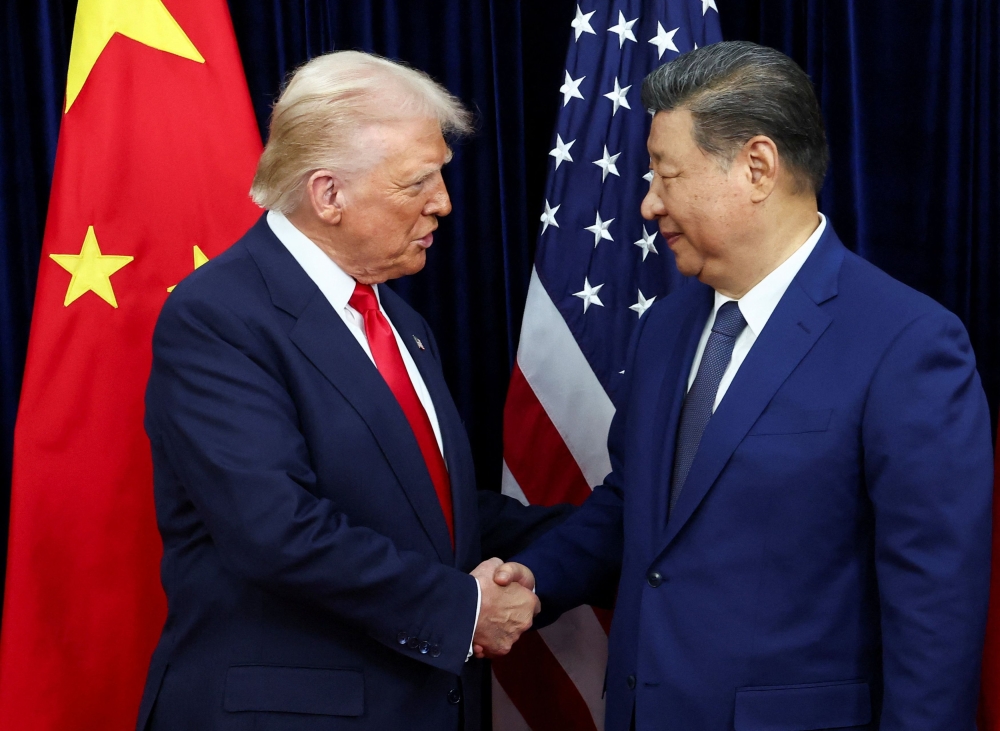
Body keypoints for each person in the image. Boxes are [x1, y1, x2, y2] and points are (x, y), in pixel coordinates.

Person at [493, 41, 993, 731]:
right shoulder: (667, 326)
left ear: (757, 166)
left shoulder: (908, 344)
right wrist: (534, 578)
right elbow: (636, 506)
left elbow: (936, 615)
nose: (647, 204)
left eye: (666, 175)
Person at [136, 50, 570, 731]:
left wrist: (623, 533)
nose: (444, 203)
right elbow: (276, 529)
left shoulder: (402, 320)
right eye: (417, 183)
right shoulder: (218, 315)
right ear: (328, 194)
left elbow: (426, 513)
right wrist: (464, 609)